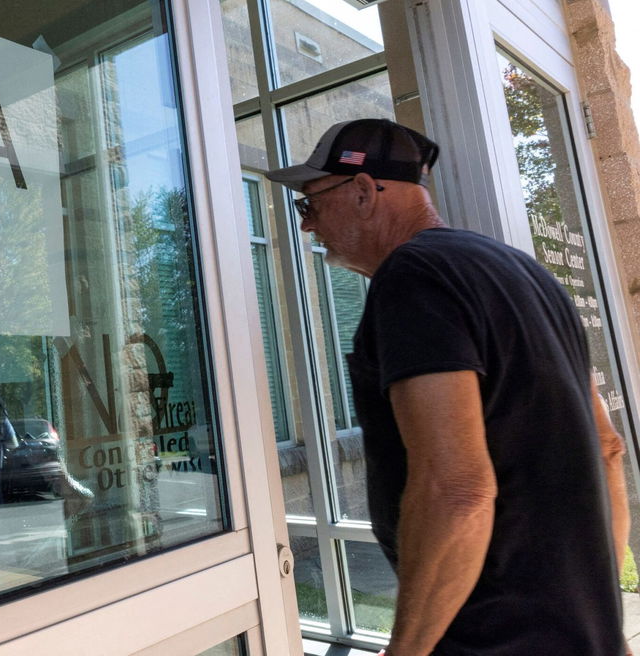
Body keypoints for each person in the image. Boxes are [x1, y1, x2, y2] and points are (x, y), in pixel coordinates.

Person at [267, 118, 630, 656]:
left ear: (364, 192)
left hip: (492, 639)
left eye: (310, 205)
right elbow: (607, 449)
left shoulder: (413, 277)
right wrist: (604, 620)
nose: (307, 226)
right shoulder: (527, 274)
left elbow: (457, 490)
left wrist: (407, 651)